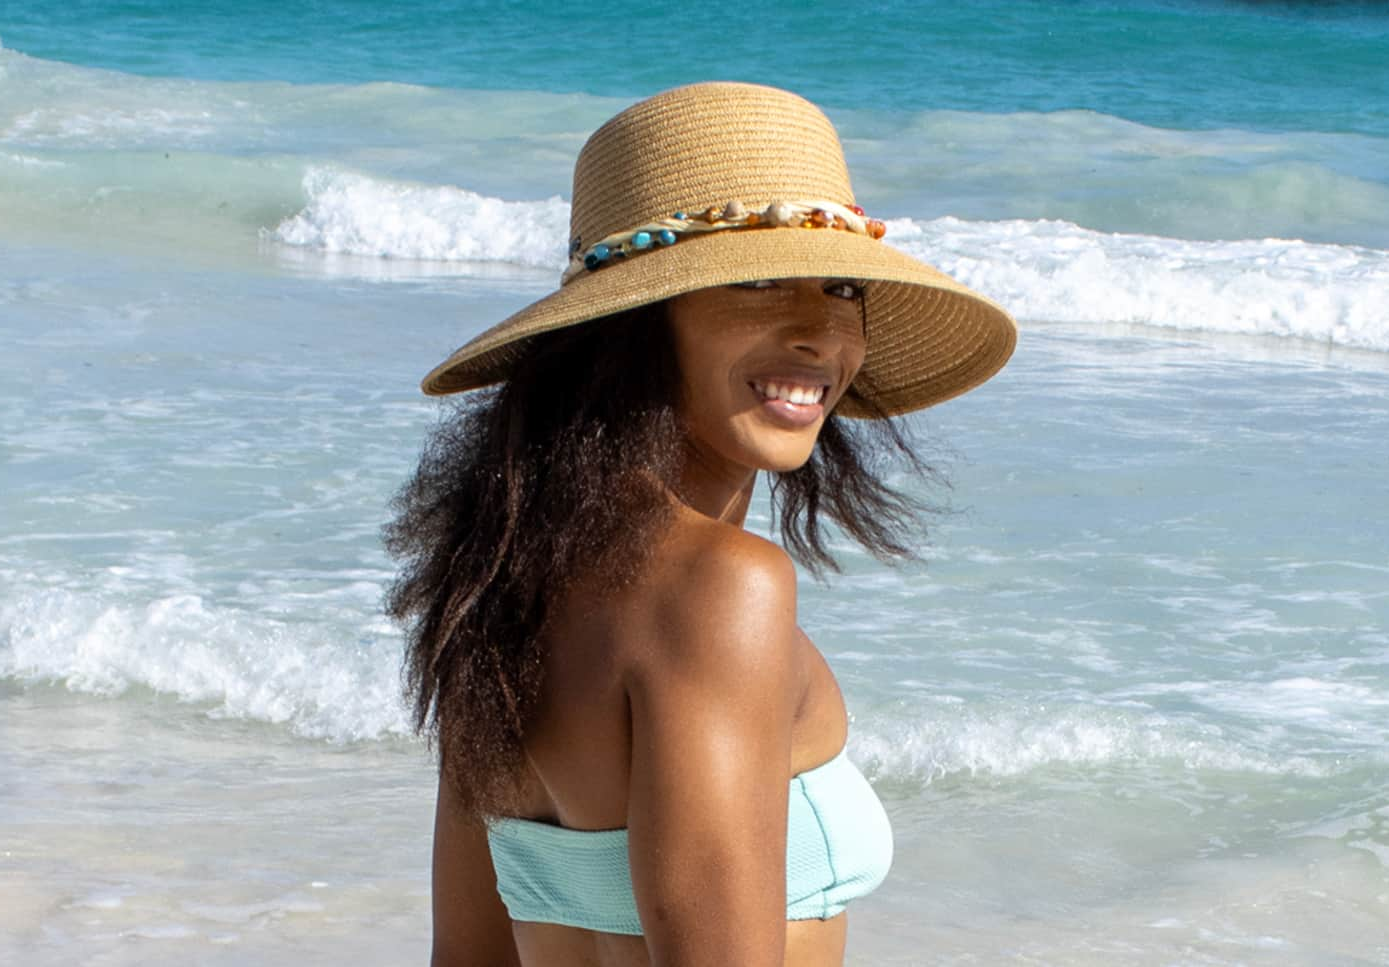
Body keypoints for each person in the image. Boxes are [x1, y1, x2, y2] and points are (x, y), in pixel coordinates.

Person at [385, 81, 1017, 966]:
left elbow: (465, 956)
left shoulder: (499, 582)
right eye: (756, 281)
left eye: (841, 285)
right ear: (635, 324)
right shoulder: (722, 588)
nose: (817, 332)